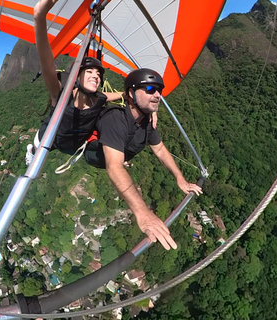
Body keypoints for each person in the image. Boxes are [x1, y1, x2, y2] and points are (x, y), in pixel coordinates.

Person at [85, 68, 203, 250]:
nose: (157, 95)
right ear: (131, 93)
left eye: (159, 90)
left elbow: (160, 149)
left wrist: (180, 179)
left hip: (121, 150)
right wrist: (143, 213)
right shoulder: (115, 118)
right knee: (116, 160)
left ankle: (120, 152)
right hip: (96, 155)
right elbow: (114, 168)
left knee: (124, 154)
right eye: (149, 89)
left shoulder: (147, 121)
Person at [31, 0, 124, 157]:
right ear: (77, 76)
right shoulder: (61, 95)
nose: (95, 75)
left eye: (98, 74)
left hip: (73, 145)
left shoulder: (98, 98)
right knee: (37, 151)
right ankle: (32, 151)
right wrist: (39, 16)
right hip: (51, 140)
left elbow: (114, 95)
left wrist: (129, 95)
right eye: (89, 72)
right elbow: (47, 65)